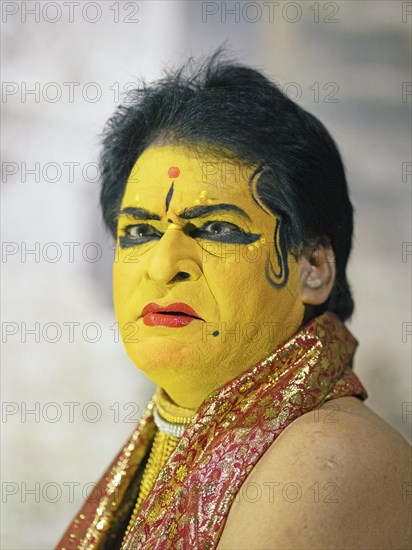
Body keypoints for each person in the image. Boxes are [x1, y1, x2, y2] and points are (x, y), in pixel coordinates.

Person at [57, 53, 411, 549]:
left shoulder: (324, 459)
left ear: (313, 270)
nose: (164, 265)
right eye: (139, 231)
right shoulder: (170, 432)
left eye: (217, 228)